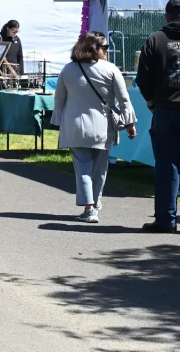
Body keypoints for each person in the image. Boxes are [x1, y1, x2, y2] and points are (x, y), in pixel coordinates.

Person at [52, 31, 136, 223]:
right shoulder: (111, 69)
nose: (107, 50)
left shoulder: (68, 69)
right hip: (102, 126)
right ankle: (95, 206)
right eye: (104, 47)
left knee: (82, 168)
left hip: (74, 125)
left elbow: (59, 100)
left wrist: (58, 122)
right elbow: (124, 100)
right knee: (100, 169)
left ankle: (89, 207)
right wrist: (130, 123)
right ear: (93, 48)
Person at [135, 0, 180, 233]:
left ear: (166, 16)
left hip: (166, 111)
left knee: (167, 166)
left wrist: (151, 102)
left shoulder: (155, 39)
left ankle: (165, 220)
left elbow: (143, 78)